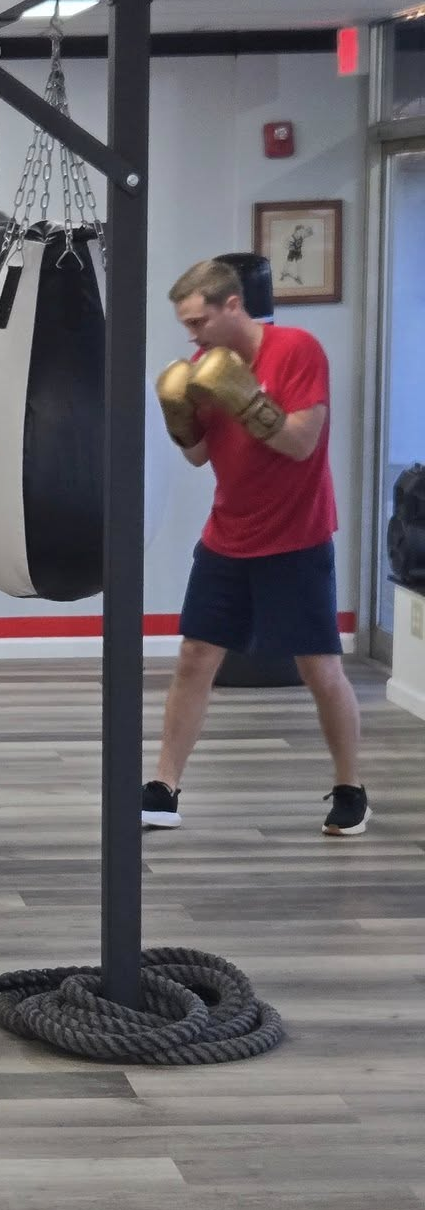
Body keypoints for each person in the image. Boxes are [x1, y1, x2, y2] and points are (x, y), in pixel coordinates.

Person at [143, 257, 367, 837]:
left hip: (296, 537)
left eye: (199, 322)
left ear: (232, 306)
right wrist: (181, 419)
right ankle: (164, 788)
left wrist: (245, 398)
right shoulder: (202, 368)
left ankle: (350, 790)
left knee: (319, 667)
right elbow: (198, 458)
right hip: (227, 537)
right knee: (195, 658)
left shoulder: (297, 350)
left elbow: (300, 443)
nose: (192, 337)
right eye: (187, 326)